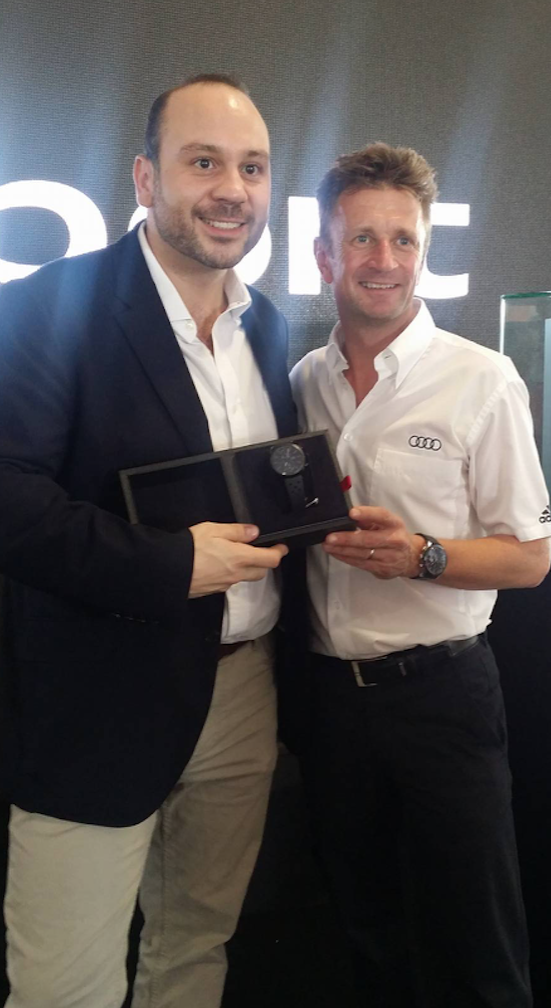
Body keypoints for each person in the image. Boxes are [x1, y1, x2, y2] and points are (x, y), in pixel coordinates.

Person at [0, 73, 297, 1008]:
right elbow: (10, 500)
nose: (232, 190)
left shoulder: (268, 327)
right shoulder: (49, 305)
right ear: (144, 177)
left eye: (252, 167)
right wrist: (174, 564)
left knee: (195, 946)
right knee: (66, 985)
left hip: (243, 687)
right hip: (96, 700)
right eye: (203, 162)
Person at [287, 142, 551, 1007]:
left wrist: (424, 556)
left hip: (443, 696)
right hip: (331, 702)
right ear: (324, 255)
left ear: (424, 251)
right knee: (364, 931)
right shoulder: (304, 381)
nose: (385, 260)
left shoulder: (482, 380)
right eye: (362, 239)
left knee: (478, 941)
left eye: (403, 240)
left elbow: (529, 557)